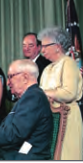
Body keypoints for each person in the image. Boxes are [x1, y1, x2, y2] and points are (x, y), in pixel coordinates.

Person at [38, 26, 83, 160]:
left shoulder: (68, 63)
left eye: (45, 46)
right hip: (50, 121)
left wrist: (42, 94)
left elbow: (69, 93)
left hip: (67, 119)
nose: (42, 50)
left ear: (57, 46)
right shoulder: (47, 69)